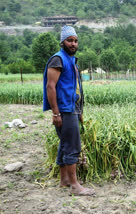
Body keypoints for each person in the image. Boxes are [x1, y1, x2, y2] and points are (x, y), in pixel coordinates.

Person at [43, 26, 94, 196]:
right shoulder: (57, 60)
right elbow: (51, 87)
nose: (73, 44)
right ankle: (75, 185)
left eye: (75, 41)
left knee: (64, 145)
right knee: (72, 146)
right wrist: (56, 113)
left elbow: (76, 88)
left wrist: (79, 111)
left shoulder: (71, 60)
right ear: (62, 42)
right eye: (69, 40)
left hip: (72, 109)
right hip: (64, 110)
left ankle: (64, 180)